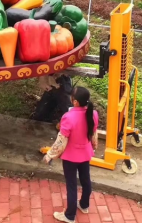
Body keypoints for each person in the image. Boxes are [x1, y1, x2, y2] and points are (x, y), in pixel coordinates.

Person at [42, 86, 98, 223]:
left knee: (71, 185)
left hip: (71, 157)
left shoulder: (68, 117)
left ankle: (70, 215)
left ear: (75, 102)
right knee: (86, 180)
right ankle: (84, 205)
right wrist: (94, 147)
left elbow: (61, 141)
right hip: (85, 154)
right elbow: (93, 134)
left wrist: (50, 155)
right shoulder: (93, 114)